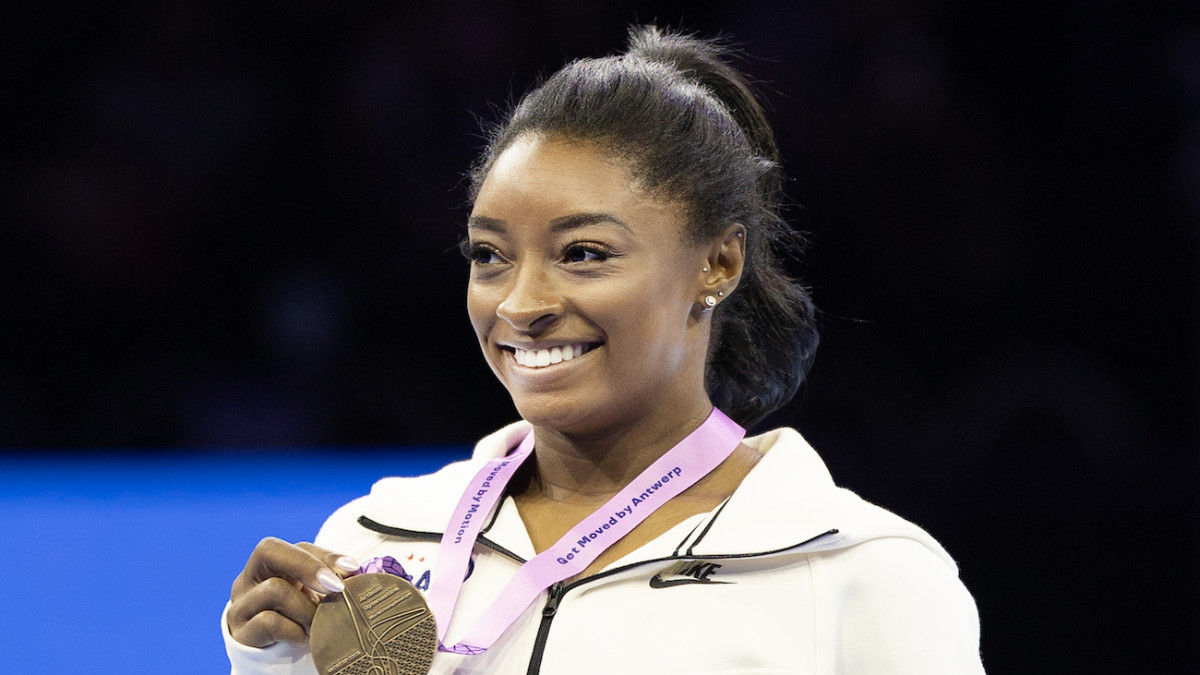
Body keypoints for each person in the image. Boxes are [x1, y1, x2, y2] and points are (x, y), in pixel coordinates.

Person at [223, 26, 985, 674]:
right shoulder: (372, 542)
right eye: (489, 255)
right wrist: (268, 664)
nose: (521, 304)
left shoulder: (860, 573)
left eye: (584, 253)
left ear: (717, 264)